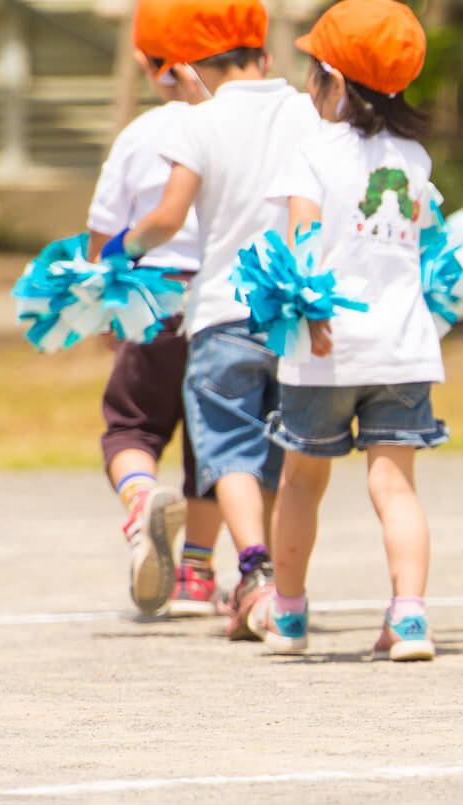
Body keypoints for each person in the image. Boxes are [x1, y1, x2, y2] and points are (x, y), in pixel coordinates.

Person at [122, 0, 323, 640]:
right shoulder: (303, 109)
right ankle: (264, 587)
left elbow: (170, 216)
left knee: (227, 449)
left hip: (221, 314)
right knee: (273, 452)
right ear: (265, 56)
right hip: (288, 311)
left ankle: (255, 570)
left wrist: (123, 250)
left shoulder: (198, 121)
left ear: (192, 69)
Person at [258, 0, 447, 662]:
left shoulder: (311, 155)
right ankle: (411, 617)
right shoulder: (417, 160)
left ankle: (287, 615)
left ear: (333, 80)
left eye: (313, 69)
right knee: (395, 485)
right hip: (403, 347)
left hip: (327, 348)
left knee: (300, 483)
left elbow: (302, 244)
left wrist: (310, 314)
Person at [86, 0, 223, 618]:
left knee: (131, 425)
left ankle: (142, 501)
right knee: (215, 441)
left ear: (146, 62)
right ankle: (196, 575)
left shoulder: (139, 135)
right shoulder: (228, 128)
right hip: (224, 301)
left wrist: (102, 302)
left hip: (153, 298)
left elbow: (101, 235)